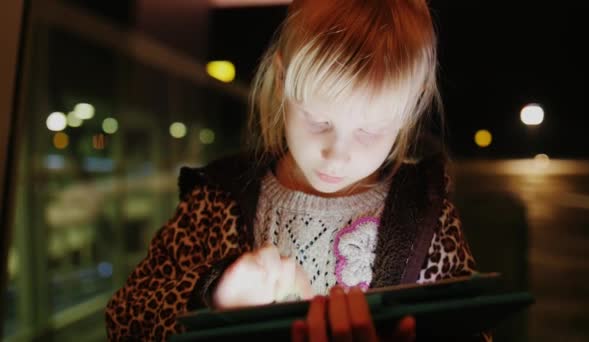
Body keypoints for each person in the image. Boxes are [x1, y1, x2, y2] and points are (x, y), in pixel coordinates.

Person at [105, 0, 489, 340]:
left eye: (369, 131)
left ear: (412, 107)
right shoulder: (217, 197)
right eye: (318, 122)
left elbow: (471, 330)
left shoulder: (424, 212)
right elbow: (127, 318)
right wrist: (214, 295)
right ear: (283, 79)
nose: (336, 155)